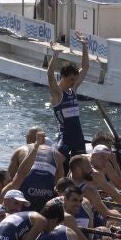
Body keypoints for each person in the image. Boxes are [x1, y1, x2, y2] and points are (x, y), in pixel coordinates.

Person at [48, 32, 89, 160]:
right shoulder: (57, 93)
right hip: (64, 139)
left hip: (78, 137)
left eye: (75, 79)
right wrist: (55, 55)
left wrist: (84, 46)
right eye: (71, 79)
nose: (74, 82)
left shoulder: (73, 89)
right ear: (63, 77)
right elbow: (49, 75)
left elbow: (85, 67)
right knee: (62, 167)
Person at [7, 126, 66, 211]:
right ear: (44, 139)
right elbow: (60, 185)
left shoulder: (20, 150)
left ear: (28, 138)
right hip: (46, 203)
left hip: (23, 202)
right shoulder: (57, 155)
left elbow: (9, 179)